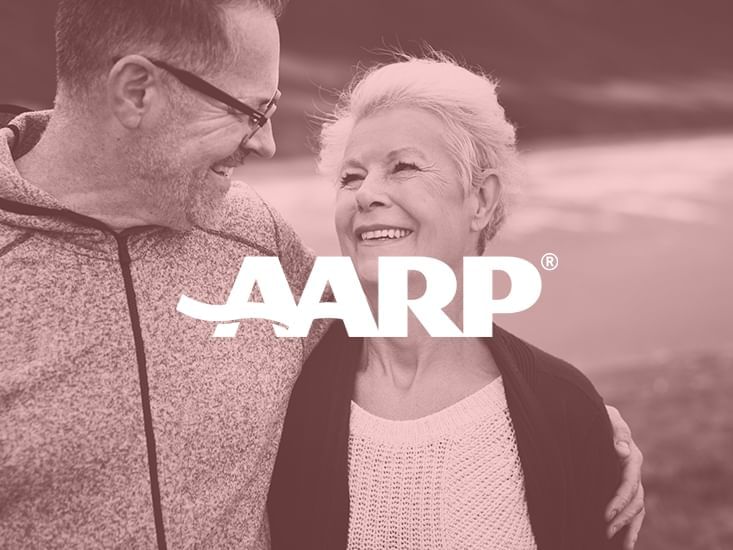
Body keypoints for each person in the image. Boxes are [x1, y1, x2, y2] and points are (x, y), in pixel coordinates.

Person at [0, 3, 642, 549]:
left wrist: (572, 421)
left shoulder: (253, 236)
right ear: (138, 90)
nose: (267, 145)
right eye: (250, 109)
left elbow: (403, 321)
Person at [268, 55, 644, 550]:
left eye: (402, 167)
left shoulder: (565, 409)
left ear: (482, 201)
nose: (366, 194)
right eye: (351, 177)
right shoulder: (283, 396)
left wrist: (592, 421)